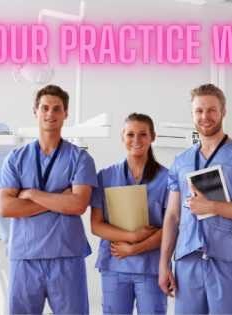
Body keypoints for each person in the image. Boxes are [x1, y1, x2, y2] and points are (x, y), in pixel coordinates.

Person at [158, 83, 232, 314]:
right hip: (187, 260)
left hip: (225, 258)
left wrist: (212, 206)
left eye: (211, 110)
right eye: (199, 111)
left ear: (223, 112)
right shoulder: (181, 161)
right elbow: (173, 216)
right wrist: (163, 263)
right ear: (192, 114)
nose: (205, 117)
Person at [0, 84, 97, 315]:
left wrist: (31, 194)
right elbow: (6, 206)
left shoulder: (80, 158)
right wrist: (59, 199)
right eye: (45, 108)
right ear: (35, 111)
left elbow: (78, 204)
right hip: (25, 258)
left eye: (56, 109)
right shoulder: (16, 158)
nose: (50, 114)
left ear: (65, 114)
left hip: (66, 256)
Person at [90, 113, 169, 314]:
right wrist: (132, 237)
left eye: (143, 134)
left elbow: (170, 227)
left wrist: (135, 248)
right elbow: (96, 225)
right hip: (115, 265)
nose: (136, 140)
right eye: (130, 134)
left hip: (151, 267)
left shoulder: (167, 179)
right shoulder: (105, 176)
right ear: (122, 137)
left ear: (153, 137)